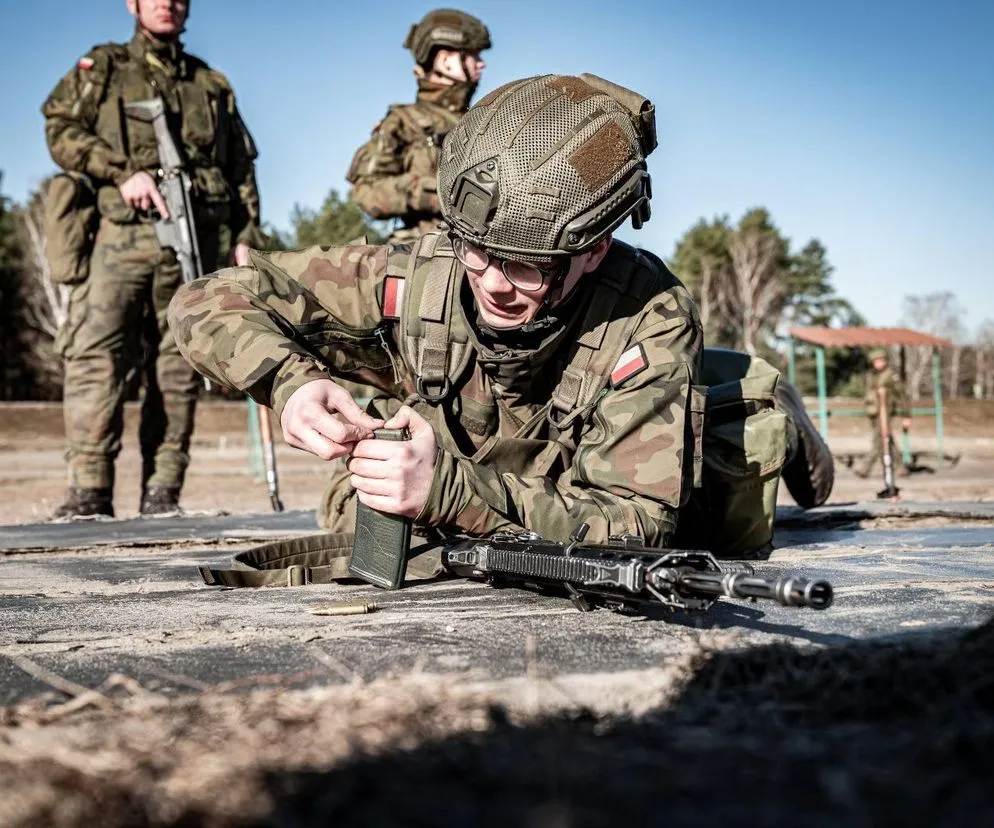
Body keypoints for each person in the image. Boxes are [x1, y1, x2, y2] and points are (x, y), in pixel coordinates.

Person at [170, 73, 832, 560]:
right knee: (353, 514)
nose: (491, 282)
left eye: (525, 265)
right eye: (475, 249)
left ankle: (753, 396)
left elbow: (636, 522)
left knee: (721, 496)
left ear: (594, 247)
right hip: (488, 487)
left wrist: (453, 493)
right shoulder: (425, 274)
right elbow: (210, 297)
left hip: (598, 460)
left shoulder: (650, 317)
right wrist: (290, 383)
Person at [43, 0, 266, 518]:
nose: (168, 3)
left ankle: (163, 494)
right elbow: (60, 128)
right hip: (120, 241)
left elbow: (240, 171)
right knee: (96, 360)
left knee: (180, 366)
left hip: (196, 245)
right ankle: (88, 494)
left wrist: (246, 234)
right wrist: (121, 171)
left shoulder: (211, 84)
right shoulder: (102, 68)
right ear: (133, 4)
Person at [346, 8, 490, 245]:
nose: (481, 64)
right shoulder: (404, 121)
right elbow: (366, 191)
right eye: (473, 55)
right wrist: (432, 193)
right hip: (425, 252)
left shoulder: (483, 122)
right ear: (445, 61)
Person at [854, 348, 911, 479]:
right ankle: (900, 467)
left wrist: (906, 415)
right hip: (874, 413)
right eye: (875, 361)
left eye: (881, 360)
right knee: (887, 439)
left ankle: (865, 467)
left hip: (885, 412)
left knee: (879, 439)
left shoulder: (891, 376)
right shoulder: (872, 376)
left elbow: (902, 396)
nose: (878, 363)